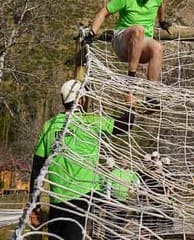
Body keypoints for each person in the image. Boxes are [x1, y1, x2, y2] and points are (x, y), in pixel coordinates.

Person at [28, 79, 134, 240]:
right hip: (80, 200)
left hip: (56, 201)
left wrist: (34, 203)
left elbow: (37, 167)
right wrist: (130, 105)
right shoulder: (91, 122)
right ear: (82, 99)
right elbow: (126, 124)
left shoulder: (49, 126)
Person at [89, 0, 170, 82]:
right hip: (123, 40)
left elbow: (161, 5)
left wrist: (162, 21)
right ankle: (131, 79)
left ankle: (151, 93)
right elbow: (104, 12)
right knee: (138, 30)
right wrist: (92, 32)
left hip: (142, 44)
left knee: (158, 48)